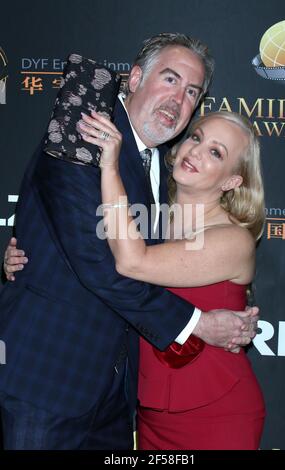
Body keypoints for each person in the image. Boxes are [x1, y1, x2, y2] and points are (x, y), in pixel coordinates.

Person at [0, 33, 258, 450]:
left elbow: (198, 259)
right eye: (170, 79)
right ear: (135, 77)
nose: (178, 100)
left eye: (192, 92)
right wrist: (198, 324)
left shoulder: (164, 166)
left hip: (116, 397)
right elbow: (96, 260)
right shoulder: (85, 129)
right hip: (46, 382)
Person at [75, 109, 266, 450]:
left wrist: (109, 165)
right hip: (148, 412)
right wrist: (20, 257)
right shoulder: (151, 213)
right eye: (196, 137)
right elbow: (94, 261)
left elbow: (133, 262)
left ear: (231, 181)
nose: (196, 150)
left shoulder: (233, 240)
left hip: (217, 414)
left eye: (216, 152)